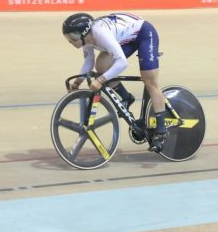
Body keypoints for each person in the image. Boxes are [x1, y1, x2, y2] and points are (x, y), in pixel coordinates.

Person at [62, 12, 166, 153]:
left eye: (73, 37)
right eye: (68, 38)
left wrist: (100, 80)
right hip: (127, 38)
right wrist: (78, 81)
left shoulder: (99, 33)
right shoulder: (87, 39)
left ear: (84, 32)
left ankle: (161, 131)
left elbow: (122, 63)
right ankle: (126, 97)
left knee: (149, 80)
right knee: (102, 66)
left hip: (144, 34)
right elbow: (89, 61)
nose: (70, 41)